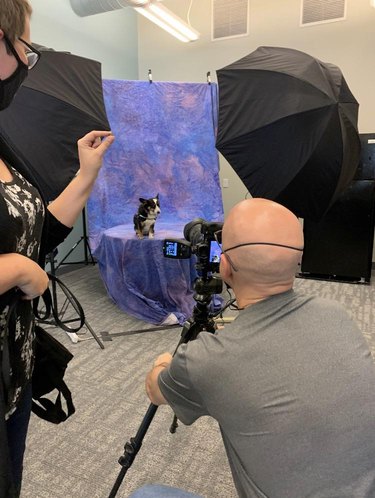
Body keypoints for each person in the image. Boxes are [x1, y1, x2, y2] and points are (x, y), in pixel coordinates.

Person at [136, 198, 375, 498]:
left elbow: (154, 391)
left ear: (224, 266)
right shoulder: (337, 314)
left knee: (146, 495)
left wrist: (163, 362)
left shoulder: (206, 360)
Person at [0, 1, 115, 496]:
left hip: (14, 370)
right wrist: (17, 270)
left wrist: (86, 175)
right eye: (25, 47)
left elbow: (37, 234)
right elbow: (23, 259)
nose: (27, 64)